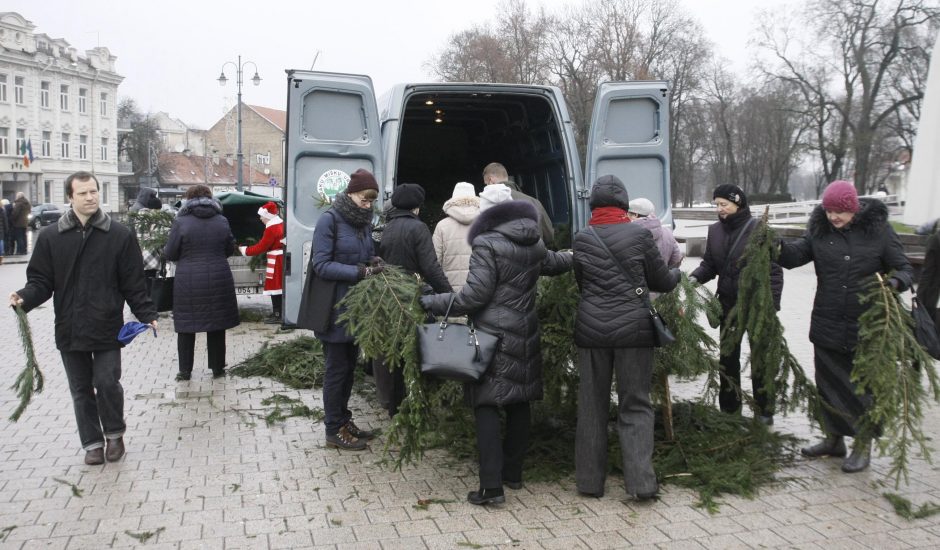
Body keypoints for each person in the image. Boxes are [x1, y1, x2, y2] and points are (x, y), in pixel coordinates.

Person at [420, 190, 573, 506]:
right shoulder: (533, 241)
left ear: (487, 213)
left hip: (491, 335)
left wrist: (433, 302)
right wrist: (576, 254)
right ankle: (513, 475)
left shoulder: (487, 243)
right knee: (519, 401)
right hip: (525, 331)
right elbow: (555, 263)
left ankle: (491, 487)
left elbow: (473, 297)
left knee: (486, 404)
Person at [9, 171, 158, 465]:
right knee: (80, 389)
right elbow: (41, 281)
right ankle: (91, 443)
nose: (90, 197)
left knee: (107, 382)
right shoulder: (52, 237)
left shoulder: (119, 235)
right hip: (69, 326)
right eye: (83, 193)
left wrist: (147, 313)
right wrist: (24, 298)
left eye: (94, 192)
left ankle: (114, 435)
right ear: (70, 198)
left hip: (106, 325)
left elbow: (133, 282)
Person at [778, 180, 913, 473]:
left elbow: (904, 268)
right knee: (828, 386)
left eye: (840, 211)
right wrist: (774, 246)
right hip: (827, 321)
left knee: (864, 390)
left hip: (868, 326)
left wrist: (893, 283)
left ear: (853, 208)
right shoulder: (820, 231)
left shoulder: (879, 231)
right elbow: (795, 256)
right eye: (829, 211)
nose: (834, 217)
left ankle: (863, 445)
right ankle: (834, 440)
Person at [573, 175, 680, 500]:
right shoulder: (639, 234)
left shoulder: (582, 237)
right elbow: (661, 281)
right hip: (634, 331)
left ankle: (590, 484)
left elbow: (581, 283)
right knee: (635, 404)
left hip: (592, 331)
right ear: (624, 205)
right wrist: (678, 273)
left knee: (592, 407)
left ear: (593, 204)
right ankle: (641, 485)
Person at [689, 185, 783, 424]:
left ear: (738, 203)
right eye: (717, 204)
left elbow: (774, 271)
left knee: (760, 358)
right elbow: (710, 264)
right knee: (728, 358)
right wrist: (693, 278)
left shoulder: (759, 230)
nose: (719, 209)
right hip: (728, 305)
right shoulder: (715, 231)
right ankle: (730, 410)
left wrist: (771, 305)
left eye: (724, 204)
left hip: (756, 306)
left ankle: (764, 411)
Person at [306, 168, 382, 451]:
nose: (368, 205)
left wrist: (374, 260)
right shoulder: (330, 220)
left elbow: (362, 255)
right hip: (333, 308)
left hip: (355, 308)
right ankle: (332, 430)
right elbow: (321, 265)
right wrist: (359, 272)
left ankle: (343, 419)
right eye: (365, 199)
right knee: (336, 370)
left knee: (349, 368)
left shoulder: (362, 222)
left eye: (372, 201)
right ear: (351, 194)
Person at [374, 183, 452, 417]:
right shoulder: (418, 229)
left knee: (393, 350)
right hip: (411, 298)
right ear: (417, 207)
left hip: (388, 296)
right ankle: (415, 404)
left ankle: (393, 404)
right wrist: (448, 295)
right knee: (415, 350)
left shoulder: (385, 228)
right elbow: (431, 266)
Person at [164, 185, 240, 381]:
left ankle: (185, 371)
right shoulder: (222, 220)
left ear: (188, 200)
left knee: (186, 325)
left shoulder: (181, 222)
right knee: (216, 324)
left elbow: (170, 252)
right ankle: (217, 368)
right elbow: (229, 248)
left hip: (188, 280)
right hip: (218, 277)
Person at [482, 162, 554, 246]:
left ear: (491, 180)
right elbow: (549, 237)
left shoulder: (487, 203)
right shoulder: (534, 202)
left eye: (486, 184)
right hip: (536, 256)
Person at [240, 201, 285, 324]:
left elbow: (262, 247)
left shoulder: (271, 228)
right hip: (280, 259)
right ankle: (279, 312)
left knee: (275, 287)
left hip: (276, 261)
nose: (260, 218)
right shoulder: (281, 224)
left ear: (268, 216)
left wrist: (245, 250)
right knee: (279, 286)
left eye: (261, 216)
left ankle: (278, 314)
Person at [433, 182, 481, 292]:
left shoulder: (442, 226)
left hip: (450, 290)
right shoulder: (485, 224)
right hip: (479, 290)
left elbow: (435, 262)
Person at [627, 197, 683, 268]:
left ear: (635, 215)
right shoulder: (667, 232)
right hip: (662, 276)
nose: (626, 217)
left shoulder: (629, 233)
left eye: (628, 214)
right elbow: (676, 258)